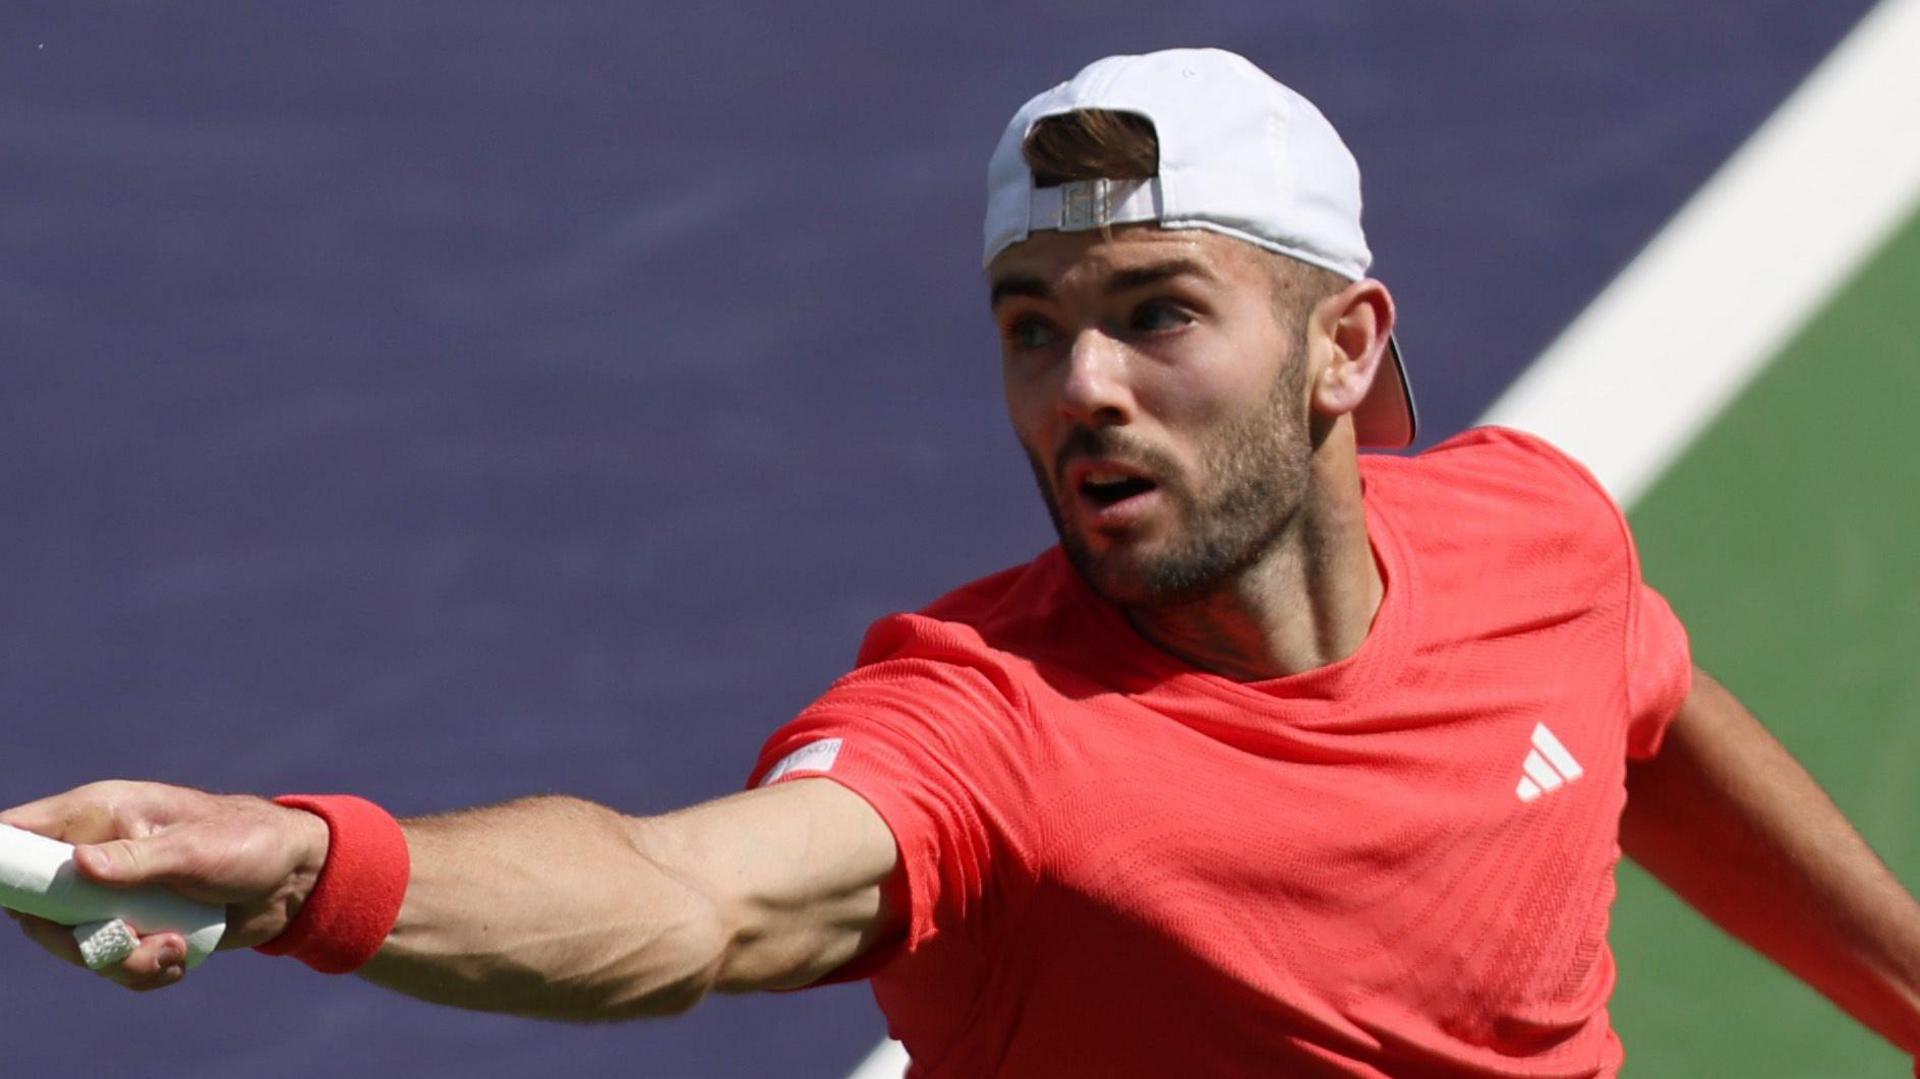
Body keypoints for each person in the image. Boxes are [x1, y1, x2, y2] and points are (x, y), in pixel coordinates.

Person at [6, 47, 1919, 1077]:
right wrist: (313, 867)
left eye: (1156, 312)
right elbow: (684, 905)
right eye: (1030, 323)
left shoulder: (1533, 538)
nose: (1079, 385)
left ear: (1345, 349)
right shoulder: (991, 739)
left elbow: (1638, 719)